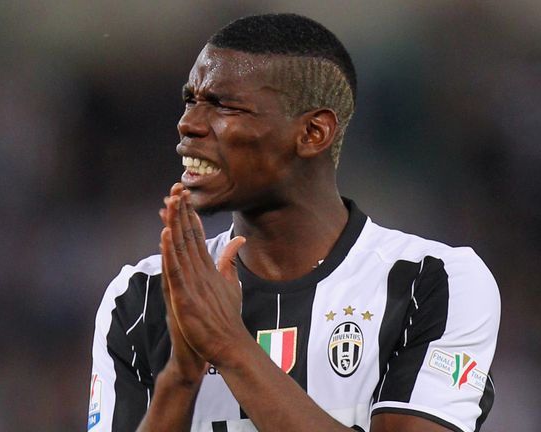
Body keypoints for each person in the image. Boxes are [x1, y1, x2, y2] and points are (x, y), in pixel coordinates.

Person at [88, 13, 499, 432]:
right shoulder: (141, 298)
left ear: (313, 133)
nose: (188, 124)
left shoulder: (430, 281)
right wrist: (180, 377)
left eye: (224, 105)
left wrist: (229, 345)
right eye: (191, 100)